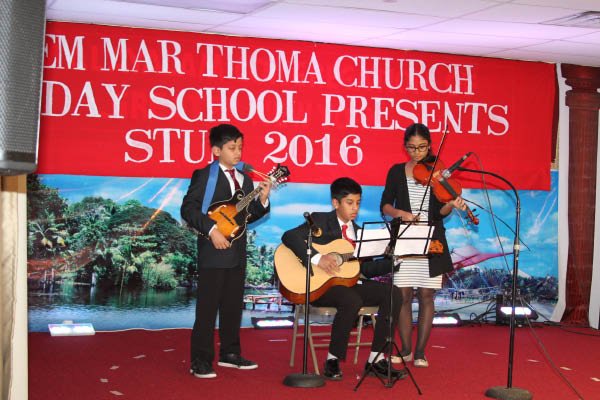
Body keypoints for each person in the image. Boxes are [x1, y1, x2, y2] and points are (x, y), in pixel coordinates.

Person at [281, 177, 405, 381]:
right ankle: (332, 359)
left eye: (358, 203)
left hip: (348, 284)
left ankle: (376, 359)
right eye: (350, 202)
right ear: (335, 203)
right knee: (351, 299)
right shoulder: (320, 220)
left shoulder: (360, 233)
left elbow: (365, 269)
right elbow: (289, 237)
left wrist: (395, 259)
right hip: (320, 286)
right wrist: (318, 258)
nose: (355, 208)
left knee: (393, 293)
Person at [181, 123, 272, 379]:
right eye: (232, 148)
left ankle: (230, 354)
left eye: (240, 147)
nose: (238, 153)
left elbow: (245, 217)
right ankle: (200, 360)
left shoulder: (246, 179)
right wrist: (212, 230)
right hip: (213, 250)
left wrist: (263, 199)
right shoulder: (204, 176)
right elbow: (188, 209)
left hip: (237, 251)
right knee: (207, 309)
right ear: (216, 150)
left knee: (233, 307)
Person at [380, 123, 465, 368]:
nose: (417, 152)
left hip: (432, 238)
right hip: (405, 238)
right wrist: (402, 214)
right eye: (411, 147)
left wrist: (451, 204)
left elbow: (439, 213)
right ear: (405, 146)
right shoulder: (396, 171)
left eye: (422, 147)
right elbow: (385, 205)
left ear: (430, 145)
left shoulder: (438, 172)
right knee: (403, 295)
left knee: (427, 295)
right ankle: (406, 350)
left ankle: (420, 353)